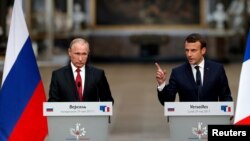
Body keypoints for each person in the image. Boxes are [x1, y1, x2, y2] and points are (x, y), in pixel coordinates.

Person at [155, 33, 232, 105]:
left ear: (203, 50)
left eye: (193, 50)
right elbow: (167, 101)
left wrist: (228, 111)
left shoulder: (217, 69)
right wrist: (161, 84)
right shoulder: (178, 73)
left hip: (211, 118)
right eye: (187, 50)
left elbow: (226, 96)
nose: (189, 54)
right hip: (187, 118)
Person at [48, 38, 114, 103]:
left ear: (88, 54)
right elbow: (52, 102)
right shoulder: (58, 75)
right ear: (69, 52)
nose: (80, 59)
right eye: (77, 54)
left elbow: (108, 101)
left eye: (84, 54)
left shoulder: (98, 74)